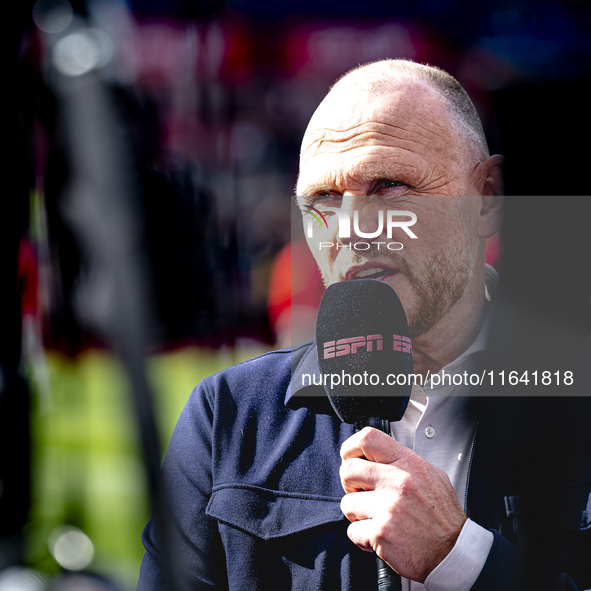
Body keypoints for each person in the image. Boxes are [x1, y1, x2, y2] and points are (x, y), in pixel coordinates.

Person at [137, 60, 591, 591]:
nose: (351, 230)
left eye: (391, 186)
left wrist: (462, 558)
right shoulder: (229, 417)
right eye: (324, 200)